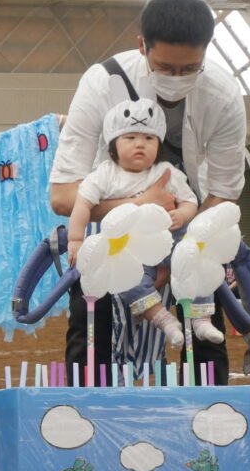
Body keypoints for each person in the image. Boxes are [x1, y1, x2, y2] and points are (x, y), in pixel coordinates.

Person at [49, 0, 247, 386]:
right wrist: (140, 208)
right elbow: (62, 195)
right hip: (112, 237)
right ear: (142, 46)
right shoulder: (101, 83)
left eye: (190, 68)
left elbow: (223, 192)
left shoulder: (224, 97)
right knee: (92, 331)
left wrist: (177, 252)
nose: (177, 78)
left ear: (207, 51)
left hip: (190, 225)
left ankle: (209, 426)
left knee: (204, 333)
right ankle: (88, 425)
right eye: (165, 67)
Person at [67, 98, 222, 348]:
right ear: (113, 145)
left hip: (172, 239)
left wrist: (182, 214)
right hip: (132, 247)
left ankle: (202, 319)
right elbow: (82, 205)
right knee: (129, 281)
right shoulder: (105, 174)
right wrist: (75, 239)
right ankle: (164, 321)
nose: (140, 144)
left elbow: (190, 201)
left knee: (196, 264)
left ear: (159, 146)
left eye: (149, 139)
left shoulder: (165, 172)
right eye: (130, 138)